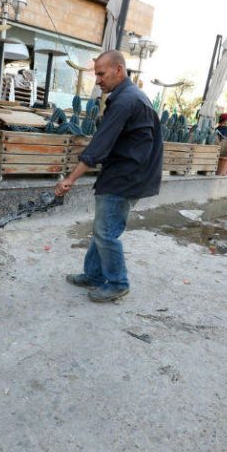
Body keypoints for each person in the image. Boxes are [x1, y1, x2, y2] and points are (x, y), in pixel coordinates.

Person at [54, 50, 163, 302]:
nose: (98, 80)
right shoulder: (127, 97)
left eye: (101, 74)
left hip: (126, 178)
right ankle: (93, 275)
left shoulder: (127, 101)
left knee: (106, 233)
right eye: (96, 74)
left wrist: (70, 178)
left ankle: (117, 282)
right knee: (103, 228)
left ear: (119, 70)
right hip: (123, 173)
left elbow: (100, 145)